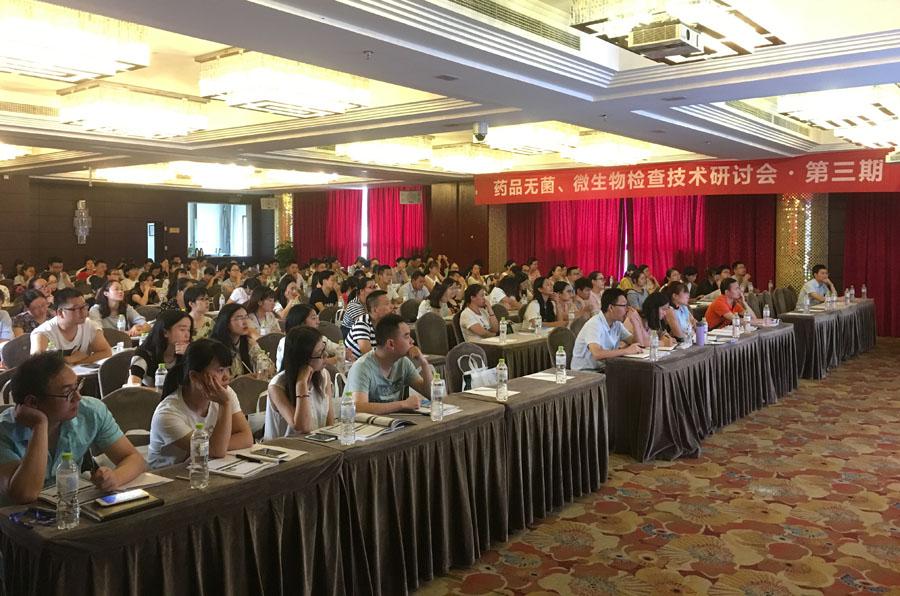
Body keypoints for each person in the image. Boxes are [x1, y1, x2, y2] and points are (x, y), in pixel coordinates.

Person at [0, 353, 146, 505]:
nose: (78, 397)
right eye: (68, 393)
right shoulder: (4, 431)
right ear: (32, 402)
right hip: (14, 516)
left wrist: (115, 477)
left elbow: (133, 458)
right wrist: (40, 426)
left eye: (77, 387)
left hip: (69, 507)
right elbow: (25, 495)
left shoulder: (90, 411)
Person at [148, 339, 253, 469]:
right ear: (194, 376)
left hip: (204, 469)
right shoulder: (167, 414)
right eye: (220, 370)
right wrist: (225, 404)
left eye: (228, 369)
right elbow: (216, 451)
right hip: (169, 476)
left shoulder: (225, 393)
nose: (227, 377)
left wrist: (218, 446)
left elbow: (246, 437)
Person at [346, 314, 433, 414]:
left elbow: (430, 394)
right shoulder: (362, 367)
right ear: (391, 344)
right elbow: (358, 408)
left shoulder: (403, 362)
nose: (412, 341)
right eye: (406, 336)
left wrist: (424, 363)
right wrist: (403, 404)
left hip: (392, 422)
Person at [264, 327, 334, 439]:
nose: (326, 355)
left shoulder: (323, 375)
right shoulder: (276, 387)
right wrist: (301, 385)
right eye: (320, 353)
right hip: (285, 447)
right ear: (303, 359)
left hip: (317, 445)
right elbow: (302, 428)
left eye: (324, 349)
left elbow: (330, 423)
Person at [31, 288, 112, 364]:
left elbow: (106, 352)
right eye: (76, 309)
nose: (84, 312)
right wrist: (71, 359)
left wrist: (78, 363)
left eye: (84, 307)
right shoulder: (42, 333)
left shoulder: (89, 325)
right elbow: (37, 365)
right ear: (60, 312)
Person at [571, 289, 644, 371]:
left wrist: (635, 322)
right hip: (586, 372)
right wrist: (626, 351)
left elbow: (639, 344)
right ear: (611, 308)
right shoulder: (594, 324)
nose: (627, 309)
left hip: (604, 369)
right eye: (624, 306)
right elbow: (597, 354)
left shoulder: (617, 324)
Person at [128, 310, 192, 387]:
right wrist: (159, 392)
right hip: (149, 395)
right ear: (165, 332)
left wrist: (191, 355)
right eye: (182, 330)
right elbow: (133, 385)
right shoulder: (144, 353)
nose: (187, 335)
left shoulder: (188, 353)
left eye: (189, 330)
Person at [209, 303, 273, 378]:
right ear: (226, 322)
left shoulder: (248, 342)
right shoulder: (215, 347)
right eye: (239, 318)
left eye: (246, 317)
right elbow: (216, 378)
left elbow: (265, 362)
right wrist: (242, 378)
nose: (245, 322)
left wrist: (264, 369)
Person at [276, 304, 341, 370]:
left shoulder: (318, 338)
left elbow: (338, 348)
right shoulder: (288, 343)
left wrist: (342, 353)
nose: (318, 322)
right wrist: (333, 360)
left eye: (317, 318)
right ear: (301, 323)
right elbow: (305, 368)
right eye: (313, 318)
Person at [346, 290, 393, 360]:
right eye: (387, 304)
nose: (392, 306)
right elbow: (369, 357)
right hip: (357, 364)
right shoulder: (362, 324)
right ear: (375, 310)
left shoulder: (386, 323)